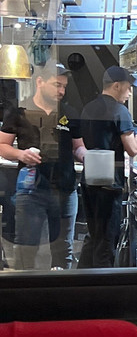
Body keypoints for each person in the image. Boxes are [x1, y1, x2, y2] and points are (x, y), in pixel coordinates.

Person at [0, 64, 86, 270]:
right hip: (31, 190)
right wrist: (21, 154)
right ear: (39, 82)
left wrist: (89, 157)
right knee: (26, 248)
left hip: (65, 190)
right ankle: (25, 288)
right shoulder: (20, 112)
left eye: (64, 86)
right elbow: (2, 145)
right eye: (57, 85)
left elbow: (78, 146)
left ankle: (62, 287)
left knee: (63, 248)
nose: (61, 91)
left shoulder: (69, 112)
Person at [78, 66, 137, 269]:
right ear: (116, 86)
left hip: (89, 179)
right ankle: (102, 286)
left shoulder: (88, 108)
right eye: (128, 87)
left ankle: (80, 282)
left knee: (94, 237)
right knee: (106, 243)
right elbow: (133, 149)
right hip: (109, 183)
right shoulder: (120, 110)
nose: (130, 93)